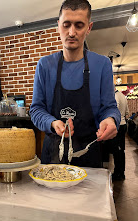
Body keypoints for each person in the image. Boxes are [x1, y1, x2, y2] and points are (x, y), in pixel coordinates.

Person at [30, 0, 121, 167]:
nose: (71, 32)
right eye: (66, 25)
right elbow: (36, 110)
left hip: (89, 152)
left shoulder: (101, 65)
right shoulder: (44, 65)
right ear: (58, 25)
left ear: (89, 28)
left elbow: (109, 107)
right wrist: (52, 122)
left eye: (79, 25)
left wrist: (110, 119)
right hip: (52, 155)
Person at [110, 89, 129, 181]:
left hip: (118, 125)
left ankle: (117, 173)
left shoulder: (114, 96)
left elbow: (114, 111)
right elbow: (127, 113)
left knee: (116, 150)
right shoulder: (123, 96)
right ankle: (122, 172)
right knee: (121, 150)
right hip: (124, 124)